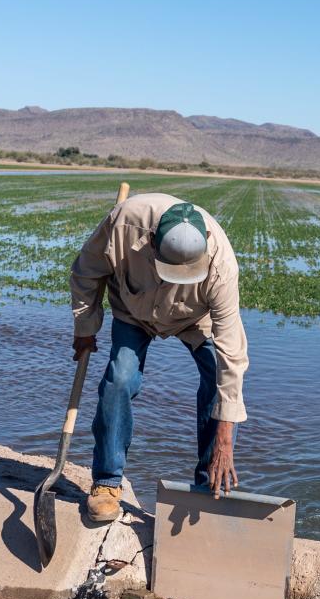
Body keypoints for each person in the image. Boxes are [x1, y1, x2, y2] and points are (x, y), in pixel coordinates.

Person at [70, 192, 248, 522]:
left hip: (194, 316)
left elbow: (232, 357)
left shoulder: (221, 266)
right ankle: (107, 483)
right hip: (133, 309)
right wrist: (85, 326)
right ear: (152, 242)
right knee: (119, 378)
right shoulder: (123, 223)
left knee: (216, 377)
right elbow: (86, 272)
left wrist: (225, 438)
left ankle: (209, 487)